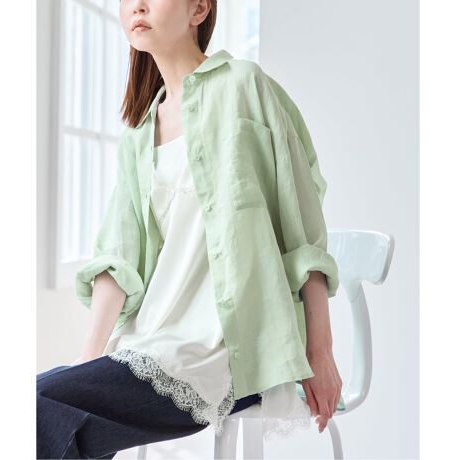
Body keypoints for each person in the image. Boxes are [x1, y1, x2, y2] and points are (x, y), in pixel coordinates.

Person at [37, 0, 343, 458]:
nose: (137, 7)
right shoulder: (139, 135)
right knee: (39, 409)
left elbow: (302, 230)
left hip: (230, 352)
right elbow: (117, 259)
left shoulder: (244, 87)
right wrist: (88, 360)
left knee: (37, 410)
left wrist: (321, 352)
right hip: (153, 342)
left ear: (199, 9)